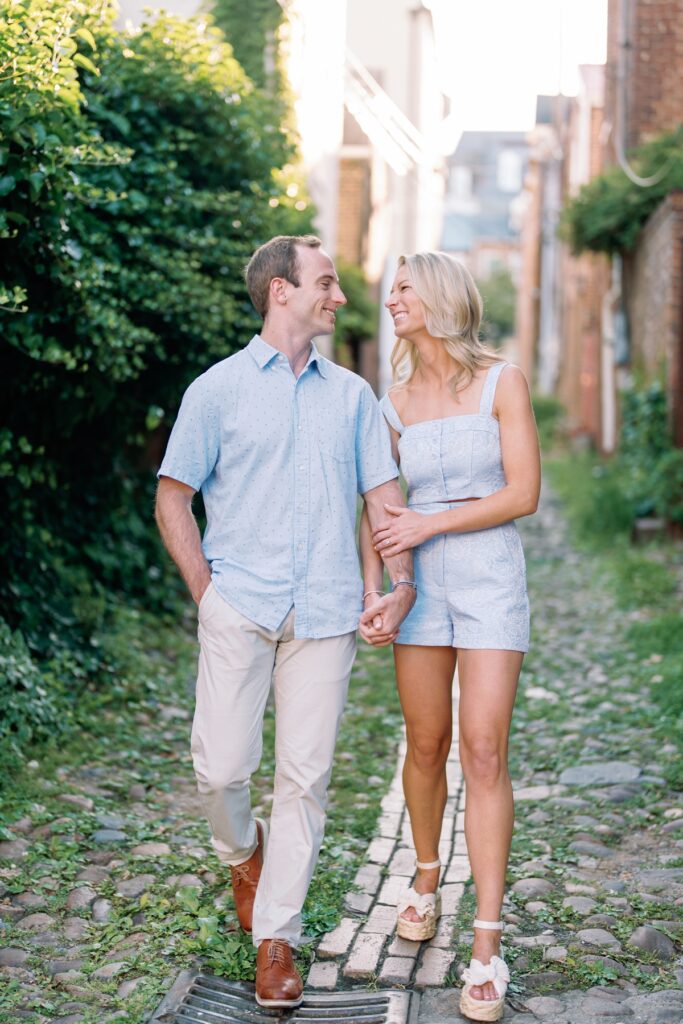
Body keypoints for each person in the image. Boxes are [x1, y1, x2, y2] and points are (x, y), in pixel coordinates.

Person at [155, 235, 415, 1009]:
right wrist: (207, 591)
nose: (338, 297)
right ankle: (243, 854)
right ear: (281, 292)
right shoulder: (217, 390)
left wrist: (397, 584)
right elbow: (174, 495)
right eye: (326, 284)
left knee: (305, 779)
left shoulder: (352, 396)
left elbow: (382, 501)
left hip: (328, 611)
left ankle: (278, 939)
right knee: (221, 769)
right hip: (240, 604)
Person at [359, 251, 540, 1023]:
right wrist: (379, 590)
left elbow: (523, 492)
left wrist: (431, 522)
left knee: (484, 749)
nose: (390, 298)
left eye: (402, 288)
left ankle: (486, 945)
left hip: (490, 577)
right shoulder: (389, 402)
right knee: (424, 743)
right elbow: (379, 507)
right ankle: (426, 877)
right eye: (390, 289)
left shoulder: (501, 381)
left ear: (437, 297)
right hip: (419, 593)